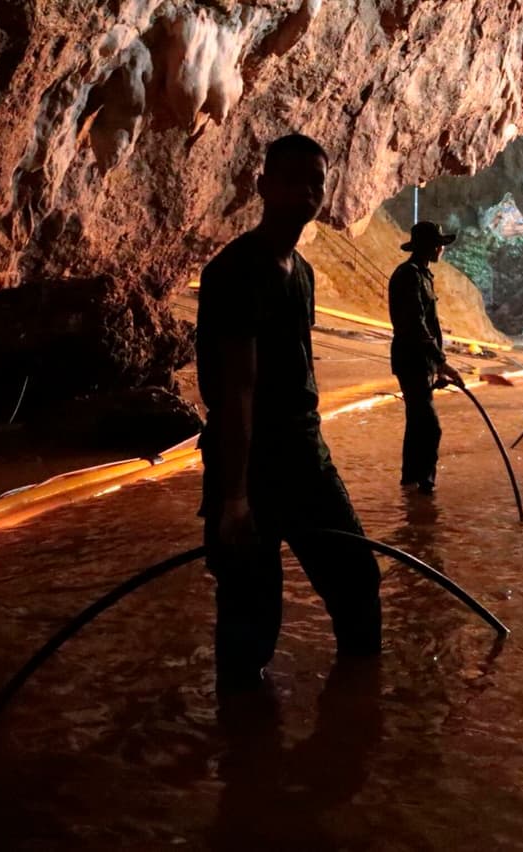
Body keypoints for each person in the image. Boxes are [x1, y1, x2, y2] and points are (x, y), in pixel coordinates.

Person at [196, 133, 382, 693]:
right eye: (292, 179)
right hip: (249, 464)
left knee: (357, 580)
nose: (307, 191)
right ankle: (244, 733)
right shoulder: (236, 270)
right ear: (263, 187)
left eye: (316, 182)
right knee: (250, 620)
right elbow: (238, 388)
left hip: (305, 457)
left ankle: (358, 716)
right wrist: (234, 499)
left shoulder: (301, 271)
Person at [388, 221, 464, 495]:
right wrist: (442, 362)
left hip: (421, 360)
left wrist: (437, 366)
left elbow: (429, 324)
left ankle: (410, 483)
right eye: (439, 244)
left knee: (417, 422)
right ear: (430, 247)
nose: (442, 249)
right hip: (411, 359)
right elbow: (415, 324)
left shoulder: (422, 275)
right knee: (430, 427)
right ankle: (425, 486)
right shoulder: (408, 275)